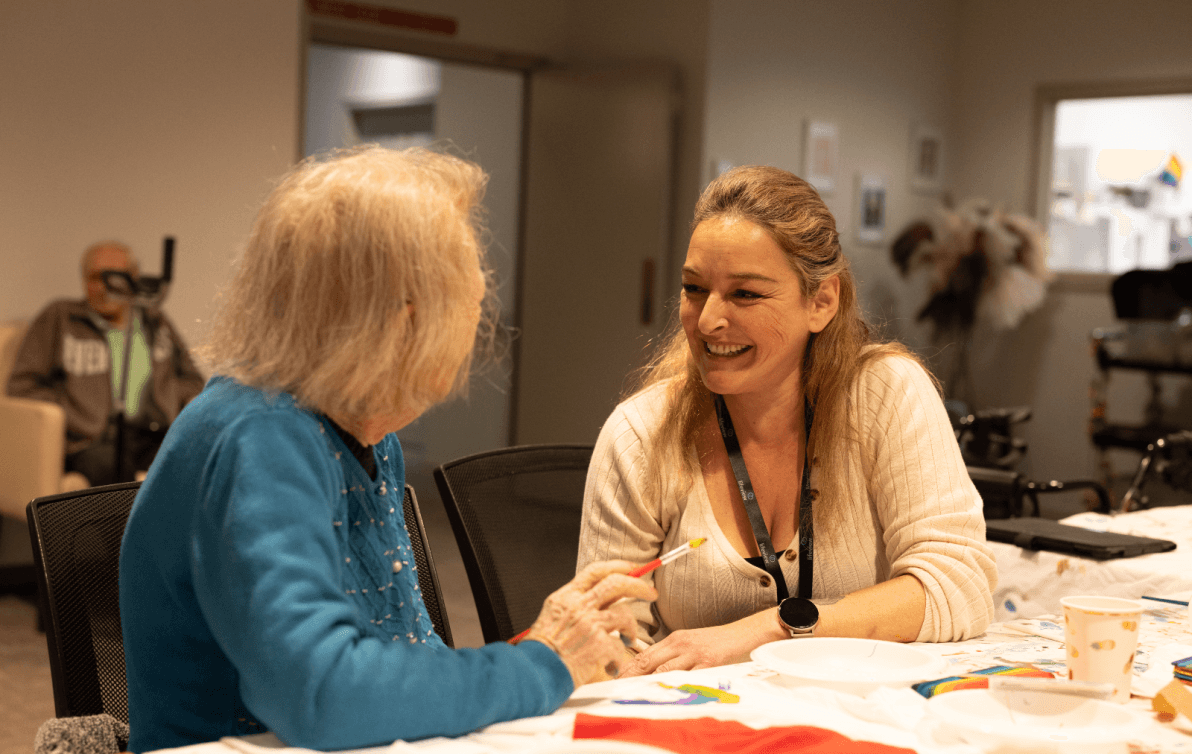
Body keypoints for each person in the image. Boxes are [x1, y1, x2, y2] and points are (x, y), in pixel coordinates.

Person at [118, 146, 654, 753]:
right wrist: (542, 662)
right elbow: (324, 696)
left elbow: (394, 654)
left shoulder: (361, 429)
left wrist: (557, 648)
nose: (478, 321)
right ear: (401, 324)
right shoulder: (263, 437)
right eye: (468, 301)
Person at [577, 165, 996, 676]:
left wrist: (774, 627)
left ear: (821, 302)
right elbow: (603, 642)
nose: (707, 320)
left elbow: (959, 588)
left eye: (745, 294)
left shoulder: (887, 395)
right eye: (693, 288)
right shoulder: (641, 433)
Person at [6, 241, 205, 485]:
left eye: (114, 278)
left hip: (153, 434)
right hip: (91, 441)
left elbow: (192, 380)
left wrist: (172, 401)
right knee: (114, 473)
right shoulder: (61, 317)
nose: (103, 288)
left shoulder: (155, 320)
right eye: (94, 278)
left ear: (134, 279)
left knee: (195, 466)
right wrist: (74, 415)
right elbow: (22, 385)